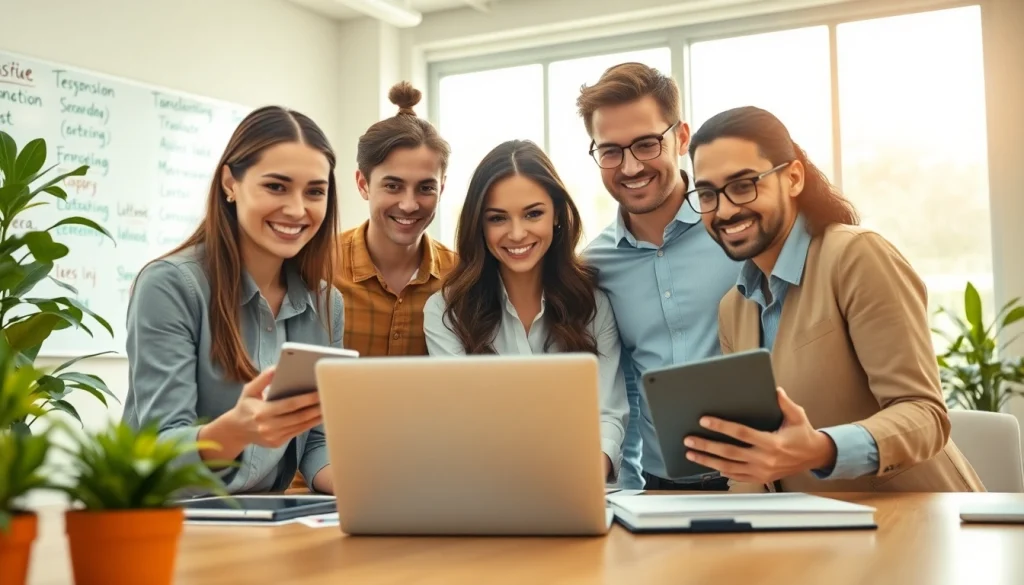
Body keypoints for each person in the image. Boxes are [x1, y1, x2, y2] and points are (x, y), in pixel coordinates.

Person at [680, 105, 984, 493]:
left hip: (916, 520)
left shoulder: (857, 257)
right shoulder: (734, 307)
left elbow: (925, 415)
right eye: (707, 194)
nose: (724, 209)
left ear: (792, 178)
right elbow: (763, 456)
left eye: (743, 185)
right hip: (817, 532)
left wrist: (821, 449)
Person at [123, 106, 344, 495]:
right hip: (172, 518)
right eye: (276, 186)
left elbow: (317, 442)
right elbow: (157, 447)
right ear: (230, 182)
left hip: (266, 521)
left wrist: (365, 483)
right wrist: (234, 431)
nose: (297, 209)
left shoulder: (327, 303)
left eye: (315, 191)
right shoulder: (169, 285)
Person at [423, 140, 629, 483]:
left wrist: (583, 481)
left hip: (579, 486)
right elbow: (465, 424)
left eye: (533, 213)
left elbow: (607, 415)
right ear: (479, 225)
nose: (517, 233)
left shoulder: (593, 305)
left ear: (558, 216)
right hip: (486, 491)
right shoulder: (446, 311)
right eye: (498, 218)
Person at [578, 62, 742, 490]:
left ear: (681, 138)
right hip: (661, 486)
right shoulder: (594, 266)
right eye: (610, 151)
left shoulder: (737, 230)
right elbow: (618, 390)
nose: (630, 167)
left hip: (761, 475)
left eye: (647, 144)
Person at [334, 81, 458, 358]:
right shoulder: (318, 265)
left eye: (426, 188)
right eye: (393, 186)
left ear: (442, 188)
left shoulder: (460, 278)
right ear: (363, 184)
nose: (409, 204)